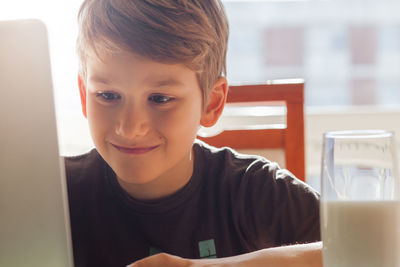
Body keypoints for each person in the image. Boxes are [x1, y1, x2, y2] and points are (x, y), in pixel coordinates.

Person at [66, 0, 322, 266]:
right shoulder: (52, 195)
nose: (129, 128)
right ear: (84, 95)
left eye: (160, 98)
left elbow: (364, 246)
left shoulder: (258, 192)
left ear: (211, 103)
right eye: (107, 95)